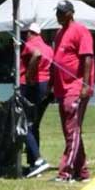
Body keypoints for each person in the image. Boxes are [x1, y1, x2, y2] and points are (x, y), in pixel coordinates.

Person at [50, 0, 95, 182]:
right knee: (70, 131)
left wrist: (85, 84)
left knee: (72, 130)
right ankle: (82, 172)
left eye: (61, 12)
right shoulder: (59, 33)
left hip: (75, 88)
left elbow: (87, 58)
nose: (58, 16)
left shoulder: (81, 31)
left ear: (70, 13)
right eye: (57, 12)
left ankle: (66, 171)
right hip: (62, 88)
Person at [21, 22, 54, 178]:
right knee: (34, 125)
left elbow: (36, 55)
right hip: (46, 86)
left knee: (24, 124)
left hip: (32, 85)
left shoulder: (30, 44)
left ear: (29, 33)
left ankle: (38, 160)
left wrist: (29, 75)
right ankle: (34, 162)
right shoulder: (48, 47)